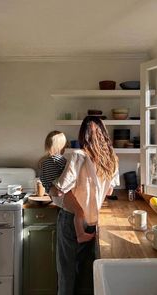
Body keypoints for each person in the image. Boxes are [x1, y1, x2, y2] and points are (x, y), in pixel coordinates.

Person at [49, 116, 119, 295]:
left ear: (82, 135)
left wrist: (50, 181)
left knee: (67, 273)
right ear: (104, 134)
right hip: (92, 221)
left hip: (71, 221)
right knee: (83, 272)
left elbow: (59, 189)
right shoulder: (112, 159)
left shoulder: (78, 156)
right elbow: (110, 191)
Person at [39, 130, 95, 243]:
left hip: (56, 193)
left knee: (79, 210)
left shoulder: (45, 161)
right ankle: (80, 235)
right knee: (79, 210)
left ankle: (80, 234)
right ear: (61, 146)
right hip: (61, 193)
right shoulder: (56, 160)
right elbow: (66, 178)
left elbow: (47, 181)